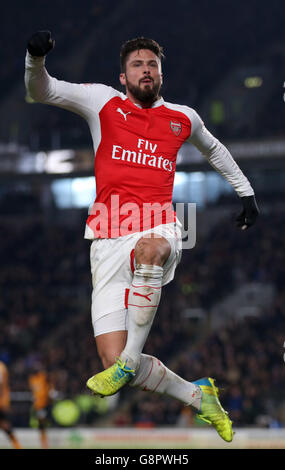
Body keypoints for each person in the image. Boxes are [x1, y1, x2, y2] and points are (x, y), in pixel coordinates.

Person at [24, 31, 259, 443]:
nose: (146, 70)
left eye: (152, 64)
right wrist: (35, 58)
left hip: (158, 224)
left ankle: (131, 360)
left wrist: (246, 192)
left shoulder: (182, 117)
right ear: (123, 76)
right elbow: (41, 90)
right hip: (107, 241)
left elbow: (215, 149)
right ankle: (197, 395)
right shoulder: (102, 102)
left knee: (150, 252)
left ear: (161, 75)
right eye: (138, 65)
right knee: (109, 357)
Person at [28, 362, 53, 449]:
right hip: (39, 405)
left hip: (47, 403)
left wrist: (50, 393)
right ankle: (44, 443)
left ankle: (45, 442)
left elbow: (49, 384)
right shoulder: (31, 379)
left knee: (45, 423)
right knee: (41, 424)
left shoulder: (43, 376)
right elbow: (33, 391)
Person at [0, 360, 22, 449]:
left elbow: (0, 385)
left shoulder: (0, 367)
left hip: (1, 400)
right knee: (4, 424)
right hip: (3, 400)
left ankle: (17, 446)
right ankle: (17, 446)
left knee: (5, 424)